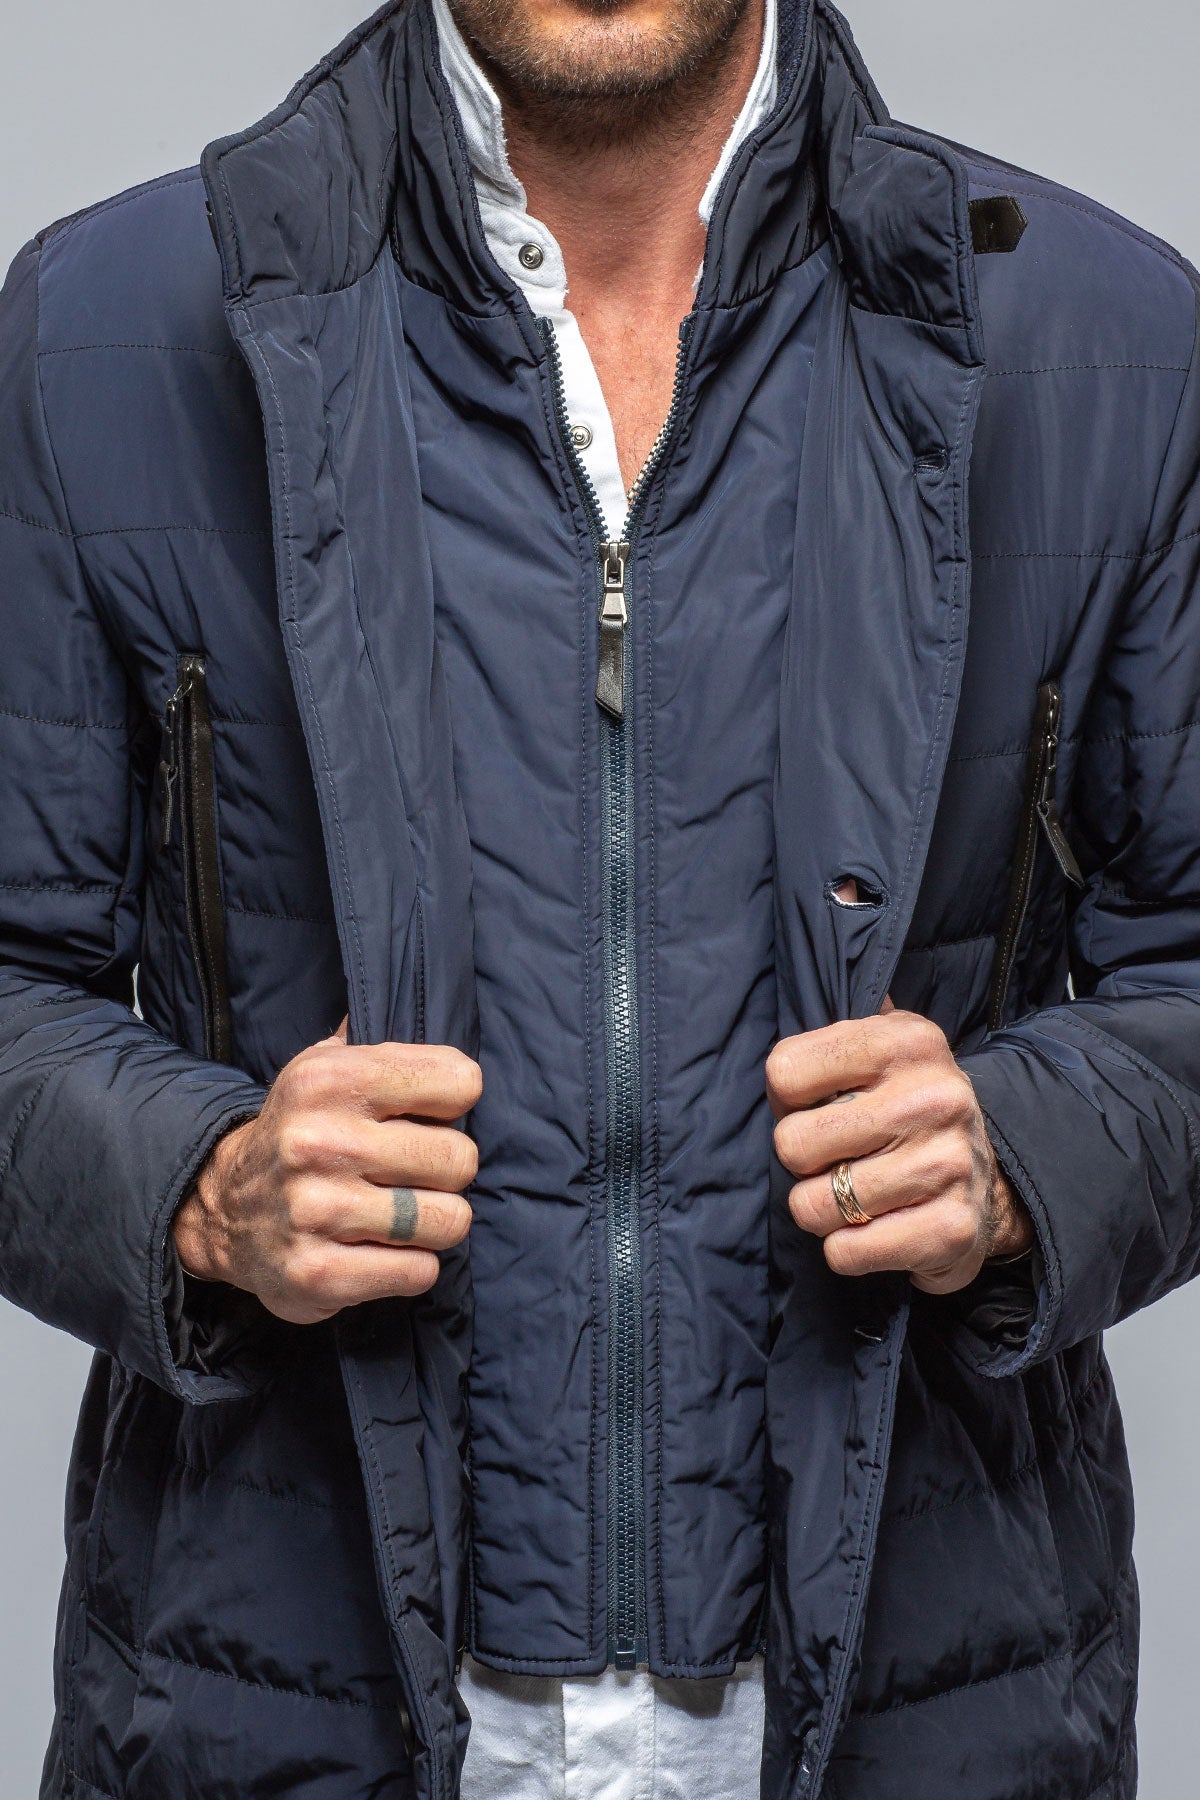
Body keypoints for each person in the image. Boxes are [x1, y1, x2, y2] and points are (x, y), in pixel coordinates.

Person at [1, 0, 1197, 1792]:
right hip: (278, 1700)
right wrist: (201, 1189)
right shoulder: (100, 332)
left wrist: (1027, 1156)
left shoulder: (1109, 343)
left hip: (927, 1707)